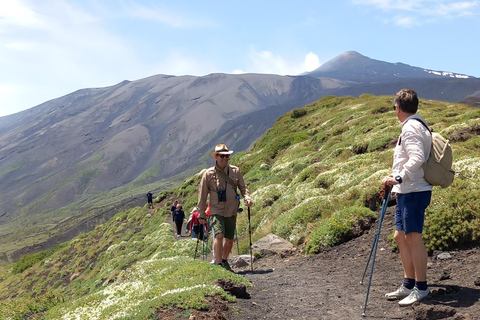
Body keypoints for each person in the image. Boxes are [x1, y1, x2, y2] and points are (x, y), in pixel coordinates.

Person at [382, 88, 432, 306]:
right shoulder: (415, 125)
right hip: (408, 190)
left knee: (412, 237)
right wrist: (397, 178)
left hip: (414, 190)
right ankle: (408, 284)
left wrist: (399, 177)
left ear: (398, 108)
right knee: (400, 237)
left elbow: (417, 157)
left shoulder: (411, 127)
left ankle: (421, 288)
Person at [197, 144, 253, 271]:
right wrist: (201, 213)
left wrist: (247, 197)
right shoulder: (208, 174)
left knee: (229, 239)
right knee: (219, 235)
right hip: (216, 210)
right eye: (222, 156)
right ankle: (218, 265)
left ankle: (224, 260)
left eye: (227, 156)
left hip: (231, 209)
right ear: (216, 157)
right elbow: (202, 195)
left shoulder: (235, 171)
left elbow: (243, 187)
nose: (225, 158)